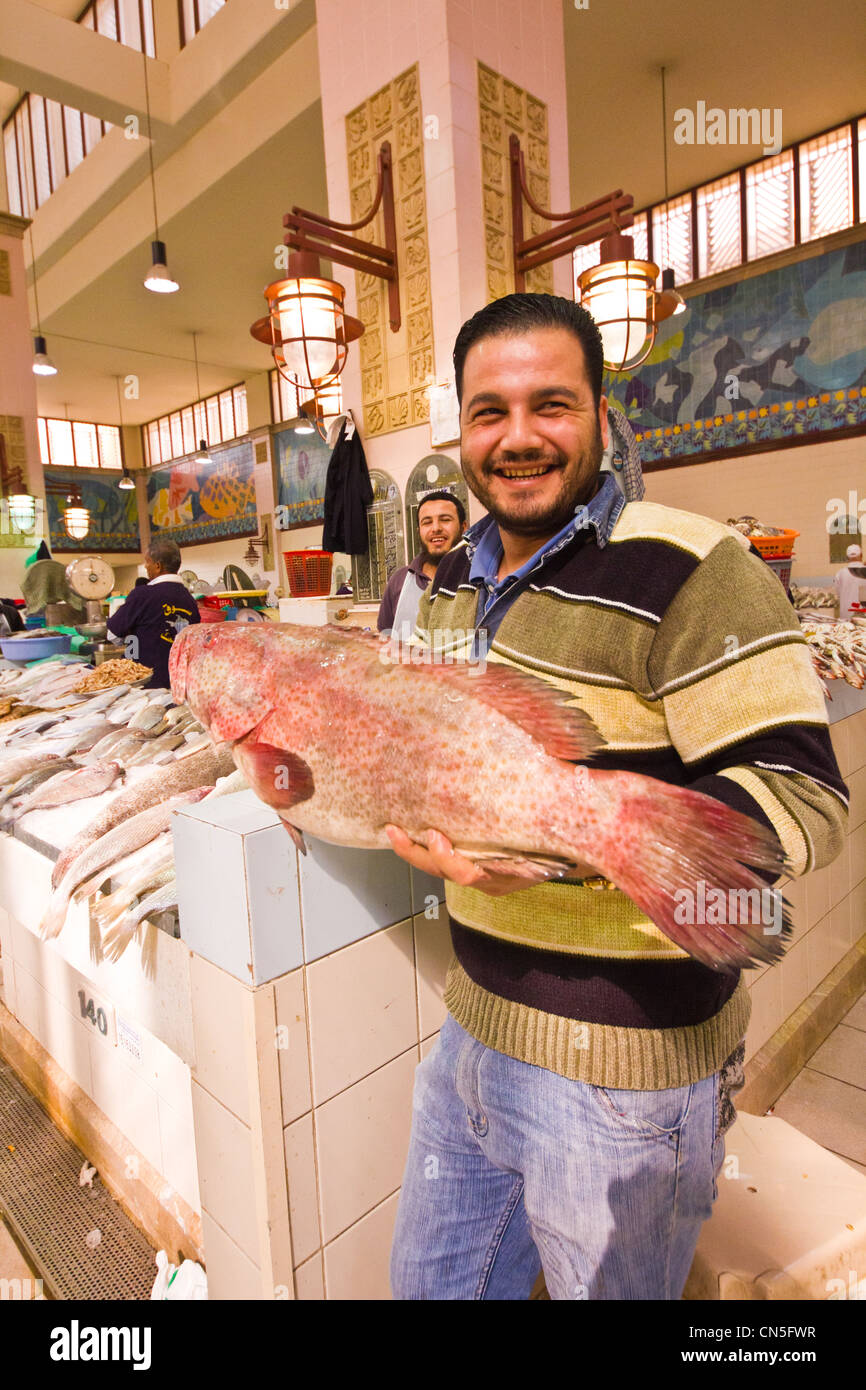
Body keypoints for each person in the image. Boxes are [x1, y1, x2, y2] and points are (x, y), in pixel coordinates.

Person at [385, 293, 848, 1301]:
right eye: (488, 411)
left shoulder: (694, 565)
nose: (517, 436)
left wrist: (571, 840)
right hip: (469, 1035)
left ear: (600, 414)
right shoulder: (448, 582)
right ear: (461, 433)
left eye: (549, 404)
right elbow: (431, 747)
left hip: (627, 1077)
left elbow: (804, 798)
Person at [107, 539, 199, 688]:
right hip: (180, 684)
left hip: (145, 685)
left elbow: (112, 634)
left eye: (147, 561)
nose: (145, 566)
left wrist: (131, 639)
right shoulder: (190, 600)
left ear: (158, 566)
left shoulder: (142, 594)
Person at [377, 490, 467, 638]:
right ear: (419, 531)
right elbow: (384, 638)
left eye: (445, 520)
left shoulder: (478, 578)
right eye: (427, 522)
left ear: (464, 527)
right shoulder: (399, 581)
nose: (436, 528)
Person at [833, 543, 866, 618]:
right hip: (863, 615)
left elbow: (838, 594)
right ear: (861, 555)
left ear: (847, 557)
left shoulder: (840, 573)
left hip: (845, 615)